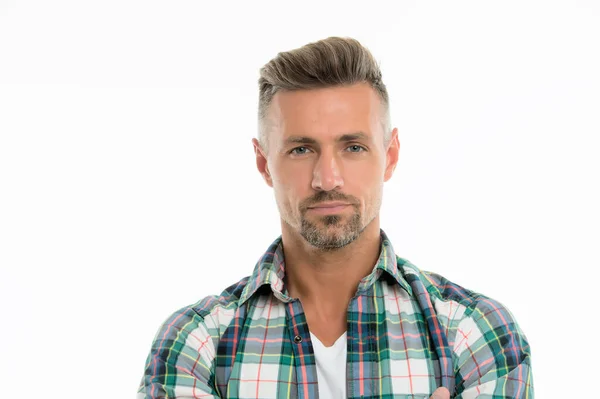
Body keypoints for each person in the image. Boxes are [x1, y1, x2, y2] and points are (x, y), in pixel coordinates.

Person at [137, 36, 533, 399]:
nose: (328, 179)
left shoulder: (477, 334)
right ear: (264, 163)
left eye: (354, 147)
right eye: (301, 150)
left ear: (390, 156)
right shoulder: (194, 344)